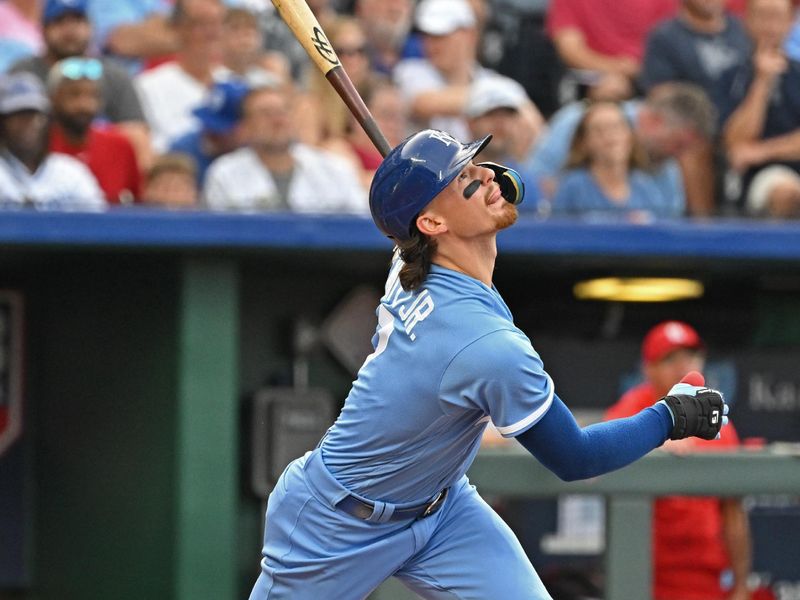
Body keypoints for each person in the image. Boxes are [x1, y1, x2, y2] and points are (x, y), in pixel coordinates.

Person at [247, 128, 729, 599]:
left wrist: (449, 190)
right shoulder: (488, 345)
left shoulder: (412, 263)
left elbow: (407, 232)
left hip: (443, 510)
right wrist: (671, 415)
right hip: (336, 522)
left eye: (477, 164)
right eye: (465, 178)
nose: (488, 176)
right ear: (432, 224)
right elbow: (576, 457)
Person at [605, 321, 751, 600]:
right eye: (670, 358)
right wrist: (654, 439)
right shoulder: (631, 409)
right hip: (642, 578)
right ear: (649, 369)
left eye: (691, 355)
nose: (683, 365)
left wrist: (742, 585)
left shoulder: (717, 421)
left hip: (705, 581)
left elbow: (733, 512)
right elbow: (595, 453)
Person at [530, 82, 717, 215]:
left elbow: (669, 223)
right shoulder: (578, 122)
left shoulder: (660, 173)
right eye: (678, 144)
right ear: (654, 122)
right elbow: (534, 186)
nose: (678, 156)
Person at [10, 0, 152, 169]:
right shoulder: (25, 73)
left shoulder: (114, 75)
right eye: (59, 21)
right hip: (38, 168)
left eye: (77, 21)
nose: (69, 31)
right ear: (43, 28)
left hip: (101, 166)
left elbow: (137, 139)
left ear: (91, 27)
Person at [202, 85, 367, 212]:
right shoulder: (224, 174)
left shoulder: (334, 169)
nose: (278, 121)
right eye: (266, 114)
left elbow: (360, 224)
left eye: (283, 112)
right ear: (246, 127)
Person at [721, 0, 800, 212]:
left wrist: (762, 151)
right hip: (758, 179)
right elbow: (735, 144)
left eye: (777, 17)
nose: (770, 26)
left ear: (791, 21)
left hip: (776, 162)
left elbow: (749, 151)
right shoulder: (730, 76)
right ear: (746, 20)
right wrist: (762, 82)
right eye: (763, 16)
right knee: (786, 193)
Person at [551, 101, 682, 219]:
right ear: (584, 142)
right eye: (599, 130)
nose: (610, 137)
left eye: (616, 127)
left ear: (630, 136)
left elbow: (663, 234)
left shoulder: (646, 187)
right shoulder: (573, 187)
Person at [393, 0, 500, 142]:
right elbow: (424, 103)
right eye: (427, 35)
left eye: (441, 35)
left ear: (470, 35)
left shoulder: (489, 79)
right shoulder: (409, 71)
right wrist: (502, 98)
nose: (431, 44)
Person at [0, 72, 104, 209]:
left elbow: (98, 224)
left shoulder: (71, 173)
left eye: (34, 116)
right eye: (18, 117)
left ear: (48, 121)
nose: (28, 125)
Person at [134, 0, 227, 153]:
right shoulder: (147, 86)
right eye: (201, 24)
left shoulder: (235, 83)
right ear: (177, 29)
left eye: (218, 23)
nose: (212, 33)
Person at [47, 57, 141, 203]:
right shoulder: (40, 147)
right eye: (74, 94)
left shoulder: (121, 146)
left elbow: (139, 203)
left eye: (92, 95)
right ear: (53, 98)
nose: (84, 104)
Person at [546, 0, 677, 101]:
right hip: (595, 79)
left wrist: (643, 69)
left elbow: (674, 42)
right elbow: (570, 50)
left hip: (655, 75)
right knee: (611, 89)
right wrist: (617, 69)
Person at [464, 74, 545, 214]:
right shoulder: (452, 180)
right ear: (470, 123)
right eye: (490, 114)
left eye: (508, 114)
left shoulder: (526, 183)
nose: (500, 123)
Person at [168, 78, 249, 186]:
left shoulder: (260, 152)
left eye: (219, 129)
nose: (210, 132)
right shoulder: (183, 150)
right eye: (207, 123)